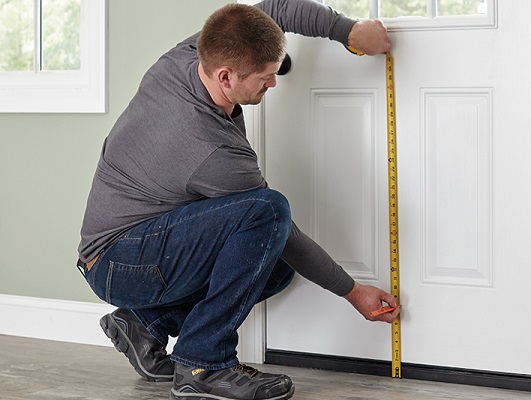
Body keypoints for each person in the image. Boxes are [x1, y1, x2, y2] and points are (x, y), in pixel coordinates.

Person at [76, 1, 399, 399]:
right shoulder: (211, 151)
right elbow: (275, 223)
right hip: (119, 260)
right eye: (265, 77)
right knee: (269, 215)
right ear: (227, 76)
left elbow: (275, 8)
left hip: (134, 246)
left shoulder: (193, 55)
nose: (274, 83)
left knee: (274, 263)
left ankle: (145, 326)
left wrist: (347, 32)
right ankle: (203, 365)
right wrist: (353, 291)